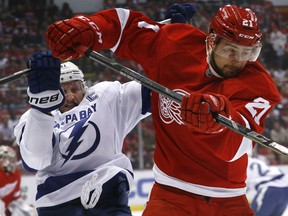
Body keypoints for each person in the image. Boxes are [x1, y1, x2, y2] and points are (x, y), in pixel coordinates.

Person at [45, 3, 281, 216]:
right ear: (211, 41)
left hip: (229, 202)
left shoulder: (258, 84)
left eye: (247, 52)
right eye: (231, 49)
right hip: (171, 195)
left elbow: (238, 144)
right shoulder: (175, 44)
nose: (238, 60)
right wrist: (90, 28)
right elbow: (127, 27)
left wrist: (217, 117)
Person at [13, 51, 151, 215]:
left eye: (75, 88)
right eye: (62, 91)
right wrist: (42, 110)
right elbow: (34, 162)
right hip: (58, 202)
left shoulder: (105, 96)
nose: (70, 96)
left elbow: (153, 91)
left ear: (84, 87)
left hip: (107, 193)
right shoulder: (32, 117)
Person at [0, 145, 21, 215]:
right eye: (9, 159)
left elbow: (16, 198)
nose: (12, 162)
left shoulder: (16, 174)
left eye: (12, 159)